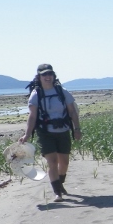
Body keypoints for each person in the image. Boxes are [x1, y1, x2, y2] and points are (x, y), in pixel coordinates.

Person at [19, 63, 82, 201]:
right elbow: (32, 116)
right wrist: (27, 134)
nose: (47, 77)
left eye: (50, 74)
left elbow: (72, 111)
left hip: (63, 130)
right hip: (45, 132)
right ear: (39, 77)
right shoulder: (36, 94)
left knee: (64, 163)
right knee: (52, 162)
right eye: (44, 74)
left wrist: (77, 129)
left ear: (54, 76)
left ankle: (60, 183)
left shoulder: (62, 91)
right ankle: (57, 192)